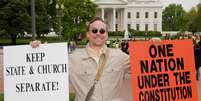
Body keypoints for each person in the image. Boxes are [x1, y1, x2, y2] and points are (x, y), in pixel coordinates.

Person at [31, 17, 160, 101]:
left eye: (102, 31)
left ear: (107, 34)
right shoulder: (73, 59)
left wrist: (153, 47)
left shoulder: (120, 56)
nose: (98, 33)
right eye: (94, 30)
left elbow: (147, 66)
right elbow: (44, 71)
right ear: (88, 34)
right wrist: (38, 50)